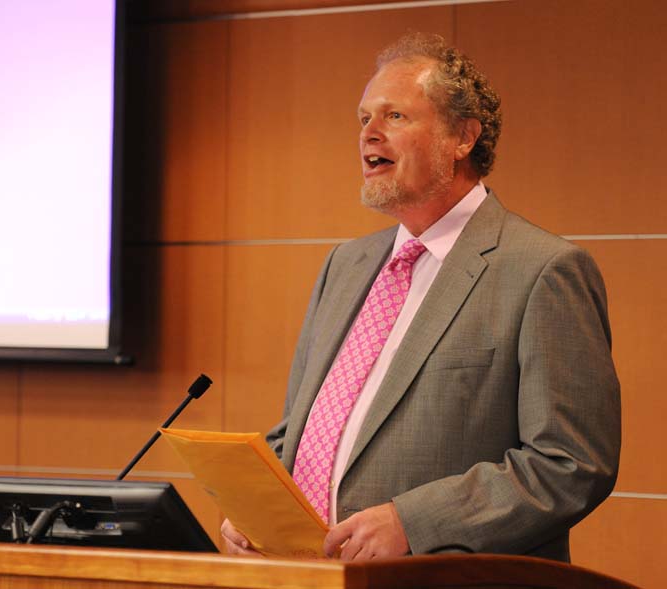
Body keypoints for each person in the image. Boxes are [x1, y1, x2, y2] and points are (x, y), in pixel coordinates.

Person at [221, 32, 621, 562]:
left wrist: (415, 524)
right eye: (363, 119)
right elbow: (300, 432)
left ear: (462, 138)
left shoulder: (543, 270)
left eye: (394, 117)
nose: (369, 135)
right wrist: (255, 508)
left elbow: (570, 463)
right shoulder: (345, 266)